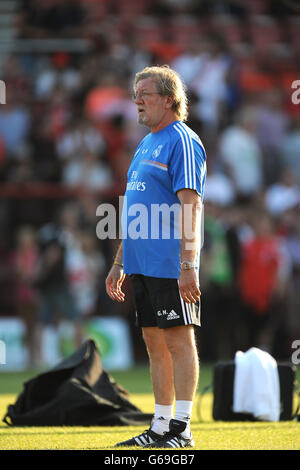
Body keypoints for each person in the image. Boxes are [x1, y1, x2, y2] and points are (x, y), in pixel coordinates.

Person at [105, 65, 207, 448]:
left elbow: (190, 207)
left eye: (144, 93)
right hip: (141, 262)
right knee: (153, 341)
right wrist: (119, 262)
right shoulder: (145, 142)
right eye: (135, 93)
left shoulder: (182, 140)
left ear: (168, 98)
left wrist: (188, 265)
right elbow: (134, 208)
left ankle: (182, 429)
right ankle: (161, 426)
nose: (136, 100)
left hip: (169, 262)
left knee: (180, 340)